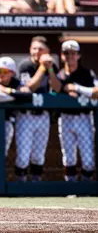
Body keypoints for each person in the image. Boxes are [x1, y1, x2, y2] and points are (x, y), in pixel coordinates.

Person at [16, 36, 61, 181]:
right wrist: (42, 68)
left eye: (40, 49)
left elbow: (57, 87)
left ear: (47, 51)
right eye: (34, 48)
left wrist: (51, 69)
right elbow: (29, 87)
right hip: (26, 115)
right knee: (23, 156)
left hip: (43, 116)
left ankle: (36, 184)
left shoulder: (52, 66)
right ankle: (20, 184)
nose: (36, 52)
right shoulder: (25, 65)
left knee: (38, 155)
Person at [57, 40, 97, 181]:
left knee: (88, 159)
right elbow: (55, 89)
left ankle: (85, 186)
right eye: (66, 53)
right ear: (62, 56)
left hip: (84, 117)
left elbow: (96, 92)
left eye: (73, 53)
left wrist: (76, 88)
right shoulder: (59, 75)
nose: (70, 56)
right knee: (68, 156)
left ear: (78, 55)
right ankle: (71, 187)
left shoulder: (86, 73)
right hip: (65, 117)